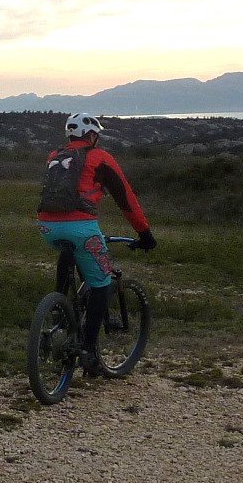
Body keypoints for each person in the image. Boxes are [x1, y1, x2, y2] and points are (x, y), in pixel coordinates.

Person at [36, 113, 155, 368]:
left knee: (70, 250)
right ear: (91, 136)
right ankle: (89, 352)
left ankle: (59, 305)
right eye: (96, 136)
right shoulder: (100, 157)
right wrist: (144, 233)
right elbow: (126, 199)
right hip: (82, 228)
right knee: (101, 285)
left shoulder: (54, 156)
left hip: (47, 226)